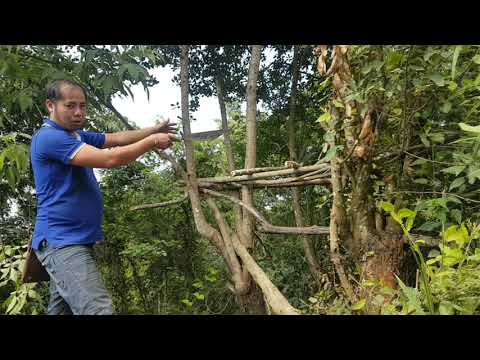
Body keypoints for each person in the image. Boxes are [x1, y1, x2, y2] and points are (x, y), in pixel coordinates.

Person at [30, 79, 178, 315]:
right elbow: (111, 159)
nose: (79, 112)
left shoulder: (75, 136)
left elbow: (116, 138)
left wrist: (152, 130)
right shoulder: (50, 138)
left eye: (82, 105)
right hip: (62, 243)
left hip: (74, 241)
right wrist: (151, 143)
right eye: (70, 106)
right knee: (99, 310)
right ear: (51, 105)